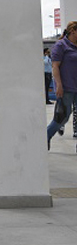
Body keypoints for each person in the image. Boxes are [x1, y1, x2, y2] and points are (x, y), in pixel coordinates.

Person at [46, 21, 77, 150]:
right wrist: (58, 85)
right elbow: (55, 66)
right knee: (62, 117)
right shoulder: (61, 45)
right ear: (73, 31)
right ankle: (46, 136)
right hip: (66, 88)